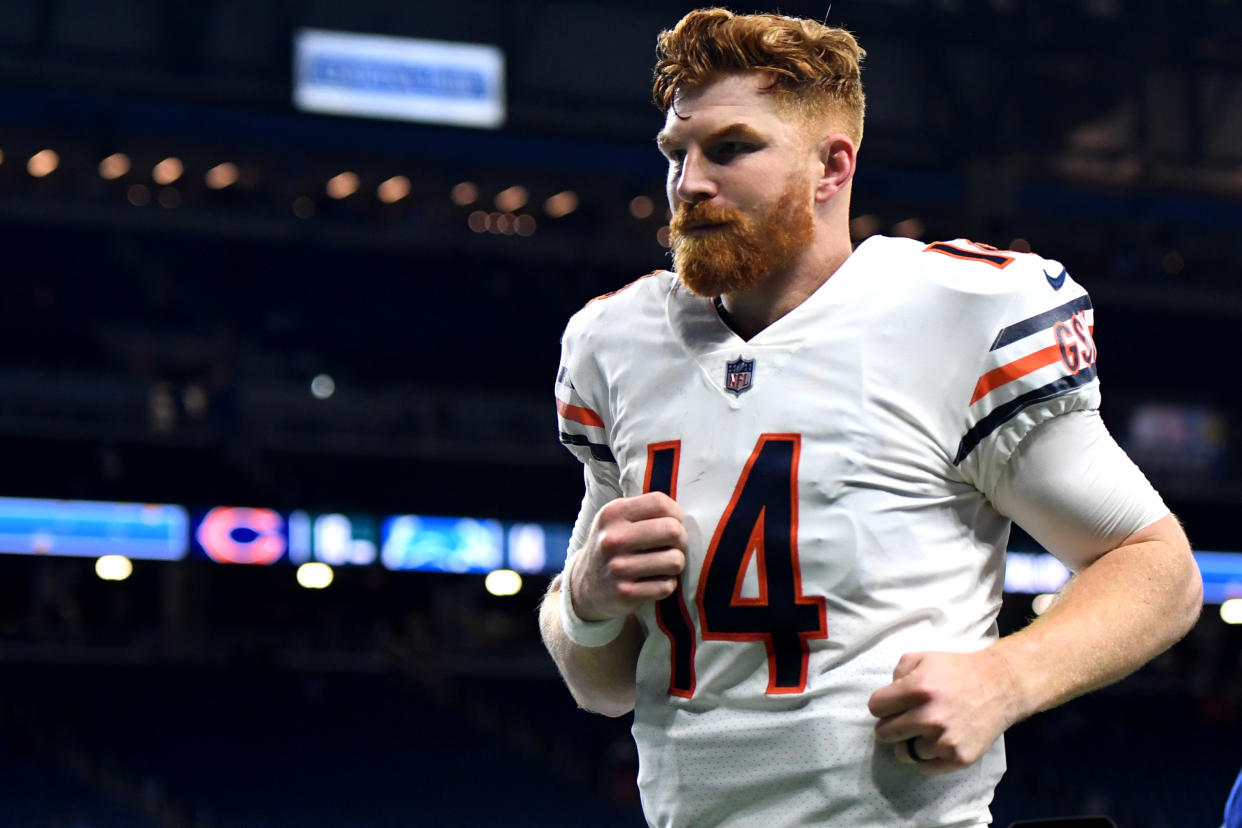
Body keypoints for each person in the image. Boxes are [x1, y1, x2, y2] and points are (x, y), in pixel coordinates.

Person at [538, 8, 1203, 827]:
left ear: (832, 166)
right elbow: (597, 684)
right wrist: (586, 601)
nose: (690, 182)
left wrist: (1005, 680)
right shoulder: (616, 342)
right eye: (677, 154)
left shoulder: (955, 313)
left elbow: (1158, 568)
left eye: (731, 148)